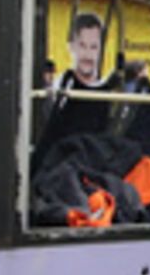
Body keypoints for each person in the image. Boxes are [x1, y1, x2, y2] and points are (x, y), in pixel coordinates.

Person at [34, 13, 114, 165]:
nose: (88, 54)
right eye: (83, 45)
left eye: (93, 47)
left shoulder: (110, 93)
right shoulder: (58, 89)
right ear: (71, 47)